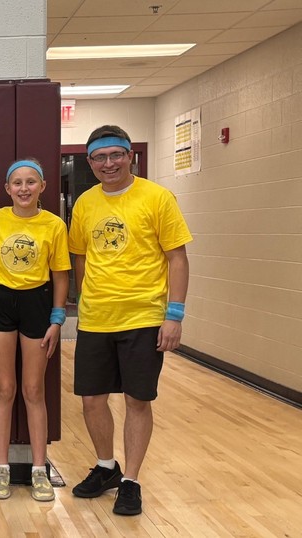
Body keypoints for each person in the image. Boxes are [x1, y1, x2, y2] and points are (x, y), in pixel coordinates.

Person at [69, 125, 191, 516]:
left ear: (130, 156)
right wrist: (84, 299)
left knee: (137, 400)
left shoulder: (157, 198)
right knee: (92, 400)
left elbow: (177, 258)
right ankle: (107, 467)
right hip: (96, 319)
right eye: (100, 158)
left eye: (116, 155)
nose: (109, 163)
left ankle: (131, 481)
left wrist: (174, 315)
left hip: (143, 316)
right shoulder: (84, 203)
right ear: (90, 162)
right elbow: (80, 257)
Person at [0, 159, 71, 502]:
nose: (23, 188)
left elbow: (61, 274)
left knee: (34, 389)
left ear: (42, 186)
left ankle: (38, 470)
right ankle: (1, 467)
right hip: (0, 301)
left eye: (30, 182)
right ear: (7, 189)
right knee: (4, 388)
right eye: (17, 182)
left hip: (38, 303)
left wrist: (57, 319)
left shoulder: (54, 225)